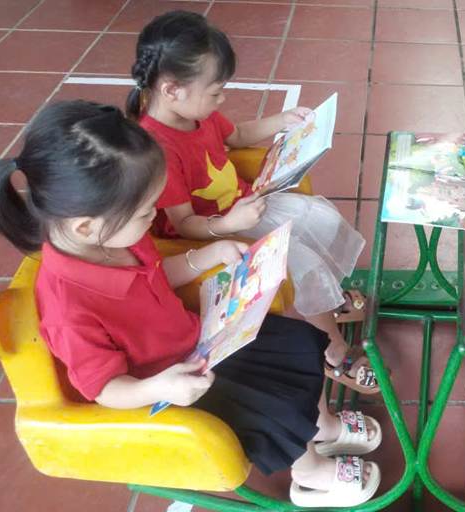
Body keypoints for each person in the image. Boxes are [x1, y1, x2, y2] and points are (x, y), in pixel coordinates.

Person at [0, 101, 381, 507]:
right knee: (275, 406)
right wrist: (160, 386)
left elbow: (155, 275)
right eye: (145, 212)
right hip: (173, 382)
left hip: (198, 341)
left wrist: (206, 256)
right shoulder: (67, 307)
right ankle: (308, 475)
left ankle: (321, 427)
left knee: (299, 343)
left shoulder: (114, 238)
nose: (153, 218)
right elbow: (104, 388)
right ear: (86, 226)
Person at [127, 10, 376, 394]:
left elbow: (238, 135)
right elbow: (183, 224)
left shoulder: (196, 113)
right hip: (215, 232)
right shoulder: (158, 149)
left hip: (247, 205)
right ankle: (333, 350)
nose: (221, 99)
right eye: (215, 92)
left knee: (322, 221)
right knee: (303, 265)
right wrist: (229, 224)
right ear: (172, 90)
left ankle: (327, 302)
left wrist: (282, 120)